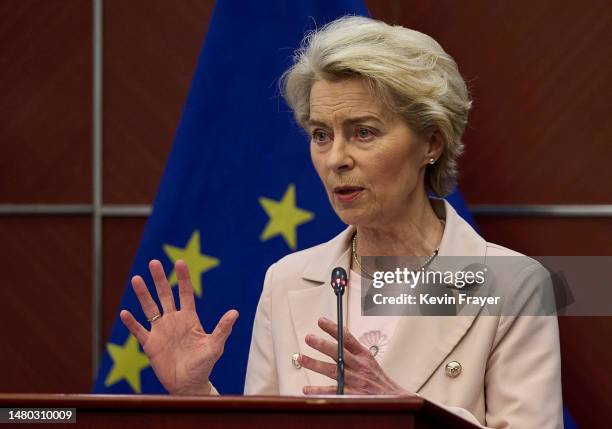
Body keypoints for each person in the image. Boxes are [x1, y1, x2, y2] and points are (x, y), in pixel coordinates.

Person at [119, 16, 563, 428]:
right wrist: (196, 393)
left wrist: (407, 413)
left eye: (363, 132)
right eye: (320, 135)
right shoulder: (287, 281)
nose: (336, 159)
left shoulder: (514, 286)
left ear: (431, 141)